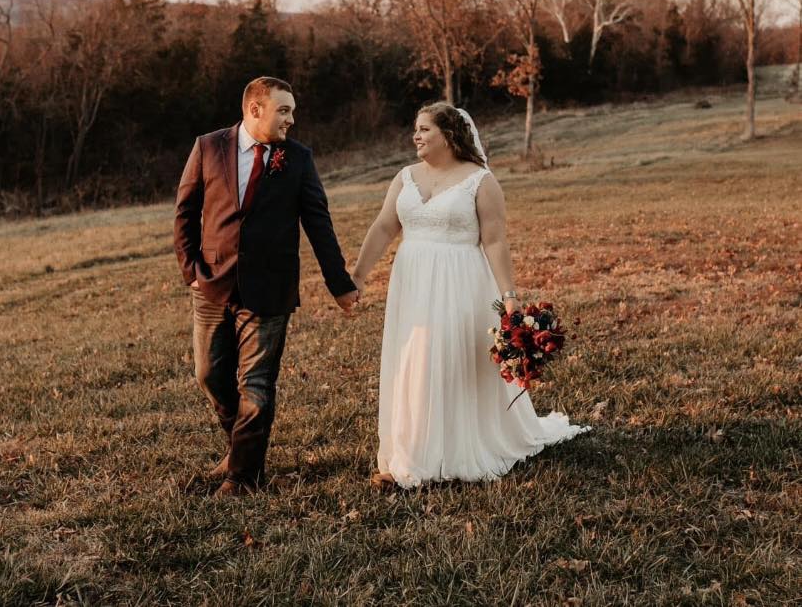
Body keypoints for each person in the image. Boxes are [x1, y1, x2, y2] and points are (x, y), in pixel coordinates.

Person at [352, 102, 589, 489]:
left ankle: (451, 449)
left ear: (449, 134)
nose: (417, 136)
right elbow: (383, 227)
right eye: (416, 129)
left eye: (425, 129)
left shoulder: (480, 181)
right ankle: (410, 452)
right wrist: (358, 275)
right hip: (412, 280)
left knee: (447, 357)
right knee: (413, 359)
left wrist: (509, 296)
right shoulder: (405, 177)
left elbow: (494, 242)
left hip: (459, 282)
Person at [174, 76, 360, 496]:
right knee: (209, 375)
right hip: (211, 285)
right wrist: (192, 273)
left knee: (256, 386)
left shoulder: (297, 158)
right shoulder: (208, 147)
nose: (291, 120)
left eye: (292, 111)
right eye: (284, 110)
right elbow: (185, 212)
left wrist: (339, 283)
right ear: (255, 109)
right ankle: (239, 445)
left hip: (270, 290)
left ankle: (243, 477)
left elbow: (318, 222)